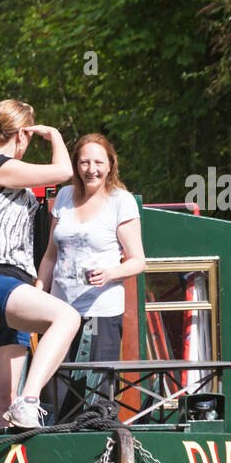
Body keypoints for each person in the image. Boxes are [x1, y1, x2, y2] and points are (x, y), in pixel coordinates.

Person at [0, 99, 80, 428]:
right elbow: (63, 172)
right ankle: (30, 401)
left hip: (9, 285)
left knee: (0, 402)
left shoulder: (5, 170)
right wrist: (55, 135)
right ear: (21, 136)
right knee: (67, 317)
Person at [38, 133, 146, 416]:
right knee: (58, 389)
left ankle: (99, 449)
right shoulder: (63, 197)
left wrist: (110, 273)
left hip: (101, 312)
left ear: (110, 165)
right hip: (60, 310)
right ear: (76, 165)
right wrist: (38, 290)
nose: (91, 169)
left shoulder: (121, 201)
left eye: (98, 162)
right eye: (84, 162)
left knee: (95, 396)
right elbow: (50, 255)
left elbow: (137, 261)